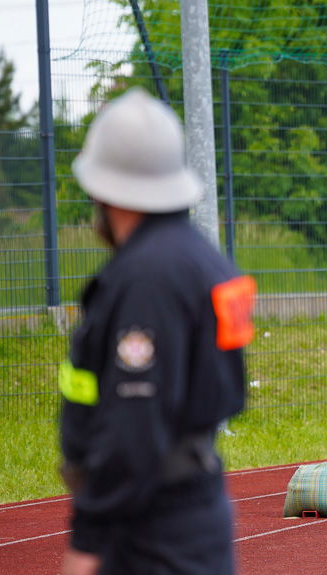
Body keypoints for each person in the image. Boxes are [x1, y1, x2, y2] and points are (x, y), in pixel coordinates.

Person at [58, 87, 256, 575]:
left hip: (150, 528)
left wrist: (88, 542)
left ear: (105, 191)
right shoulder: (199, 258)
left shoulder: (148, 277)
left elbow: (135, 427)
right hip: (191, 511)